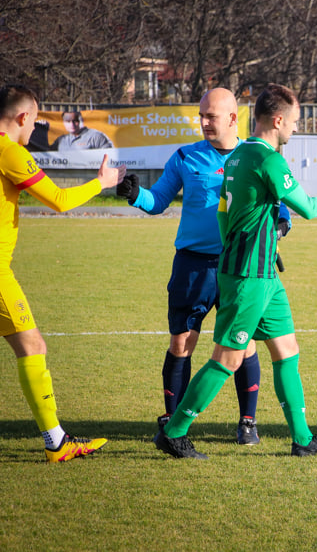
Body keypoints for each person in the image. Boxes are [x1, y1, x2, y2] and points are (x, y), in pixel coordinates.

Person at [153, 83, 317, 459]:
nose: (295, 129)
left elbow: (221, 212)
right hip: (249, 275)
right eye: (294, 122)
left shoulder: (236, 157)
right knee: (228, 357)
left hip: (262, 274)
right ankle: (175, 430)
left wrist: (239, 242)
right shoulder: (267, 159)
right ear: (277, 120)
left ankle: (302, 438)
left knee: (286, 349)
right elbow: (309, 207)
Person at [116, 88, 289, 445]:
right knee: (182, 343)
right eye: (201, 115)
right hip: (193, 266)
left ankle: (248, 421)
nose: (204, 122)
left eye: (211, 116)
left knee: (244, 346)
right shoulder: (186, 157)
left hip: (240, 267)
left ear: (232, 118)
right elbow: (158, 200)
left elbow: (282, 211)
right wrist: (134, 194)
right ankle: (173, 422)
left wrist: (274, 236)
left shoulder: (257, 155)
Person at [0, 84, 125, 462]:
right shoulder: (11, 153)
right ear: (23, 118)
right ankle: (56, 441)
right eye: (35, 122)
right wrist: (101, 184)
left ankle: (56, 440)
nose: (34, 130)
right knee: (33, 346)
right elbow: (58, 200)